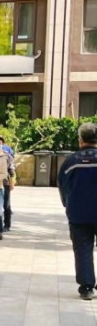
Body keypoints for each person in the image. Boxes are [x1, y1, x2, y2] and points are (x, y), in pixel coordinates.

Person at [58, 122, 97, 300]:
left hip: (78, 214)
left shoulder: (70, 161)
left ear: (80, 140)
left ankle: (87, 287)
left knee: (82, 250)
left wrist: (67, 205)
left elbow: (62, 186)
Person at [0, 135, 16, 231]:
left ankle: (7, 225)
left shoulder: (7, 156)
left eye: (0, 143)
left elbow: (11, 169)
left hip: (4, 183)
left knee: (6, 205)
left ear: (3, 144)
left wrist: (12, 182)